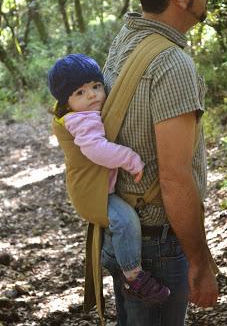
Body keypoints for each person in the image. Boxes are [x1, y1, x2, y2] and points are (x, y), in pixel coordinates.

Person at [101, 0, 219, 326]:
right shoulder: (172, 66)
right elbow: (174, 178)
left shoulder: (126, 39)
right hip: (158, 247)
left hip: (127, 236)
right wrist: (201, 262)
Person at [47, 53, 170, 305]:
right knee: (125, 220)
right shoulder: (80, 120)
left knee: (122, 221)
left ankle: (116, 255)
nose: (92, 95)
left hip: (96, 186)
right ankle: (133, 276)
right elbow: (97, 150)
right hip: (92, 192)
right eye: (80, 93)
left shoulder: (82, 113)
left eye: (96, 86)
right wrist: (131, 159)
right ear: (66, 102)